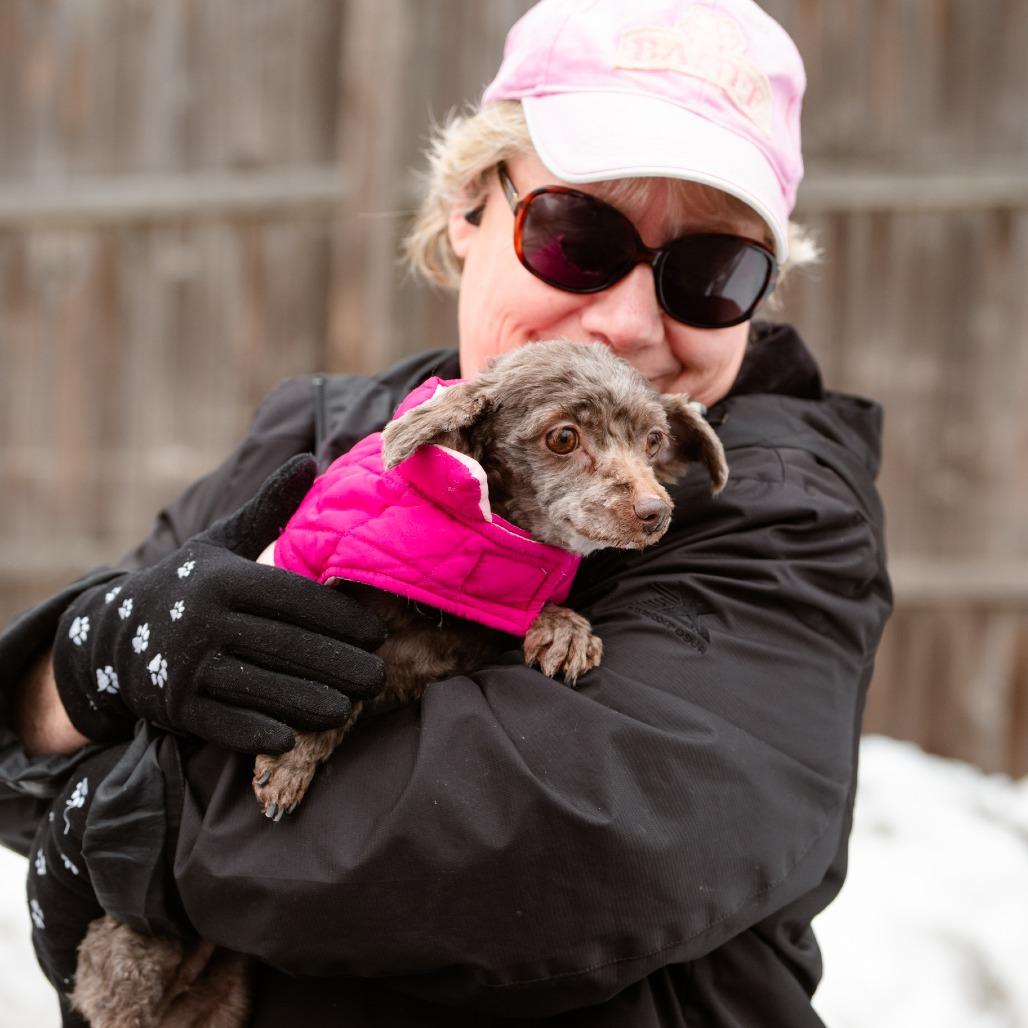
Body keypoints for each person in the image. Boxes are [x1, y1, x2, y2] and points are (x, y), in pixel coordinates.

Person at [1, 1, 892, 1025]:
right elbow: (23, 751)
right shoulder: (322, 434)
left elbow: (533, 849)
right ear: (468, 211)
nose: (626, 320)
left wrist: (120, 819)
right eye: (576, 234)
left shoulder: (781, 514)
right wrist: (90, 658)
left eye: (711, 272)